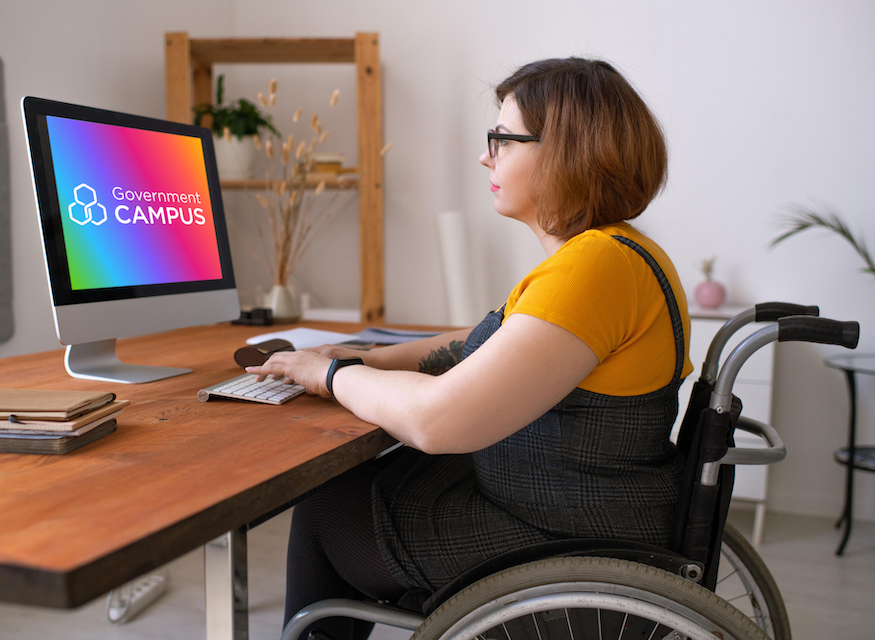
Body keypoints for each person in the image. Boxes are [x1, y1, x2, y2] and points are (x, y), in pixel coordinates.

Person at [247, 57, 692, 640]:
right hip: (582, 509)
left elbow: (437, 421)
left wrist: (330, 375)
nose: (487, 155)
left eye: (503, 140)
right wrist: (372, 359)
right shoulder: (614, 254)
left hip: (565, 535)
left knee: (328, 506)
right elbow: (487, 340)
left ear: (567, 151)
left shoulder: (595, 268)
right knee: (364, 484)